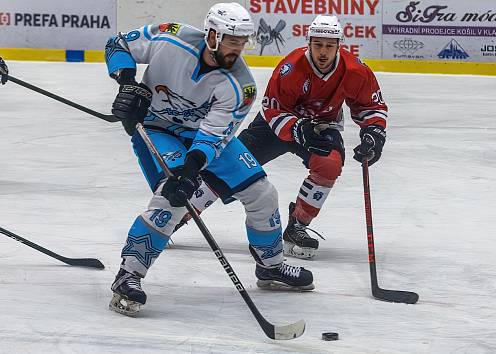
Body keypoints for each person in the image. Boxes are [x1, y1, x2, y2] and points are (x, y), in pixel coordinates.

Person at [104, 2, 313, 317]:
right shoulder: (170, 38)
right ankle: (129, 274)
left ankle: (270, 266)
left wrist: (191, 170)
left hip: (201, 137)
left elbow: (213, 136)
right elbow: (117, 44)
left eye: (243, 42)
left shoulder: (240, 86)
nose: (238, 49)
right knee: (172, 199)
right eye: (232, 40)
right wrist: (128, 83)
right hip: (158, 129)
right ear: (212, 35)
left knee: (262, 193)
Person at [237, 15, 388, 259]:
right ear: (309, 43)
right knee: (232, 164)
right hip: (276, 125)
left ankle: (297, 226)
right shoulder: (291, 67)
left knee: (329, 164)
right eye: (318, 45)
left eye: (329, 46)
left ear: (339, 45)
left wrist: (373, 133)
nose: (323, 52)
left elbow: (371, 107)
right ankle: (181, 214)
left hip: (321, 126)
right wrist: (296, 128)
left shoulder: (355, 70)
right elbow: (273, 108)